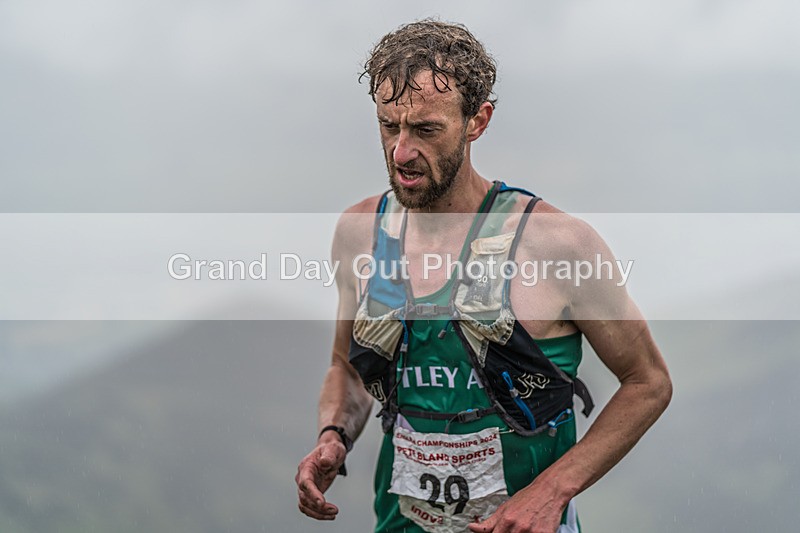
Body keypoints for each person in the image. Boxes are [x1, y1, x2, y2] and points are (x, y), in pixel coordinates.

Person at [296, 19, 672, 533]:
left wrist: (549, 493)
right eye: (389, 125)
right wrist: (334, 434)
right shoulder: (359, 233)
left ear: (477, 120)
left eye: (426, 130)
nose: (401, 152)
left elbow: (648, 382)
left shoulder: (558, 244)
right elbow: (348, 365)